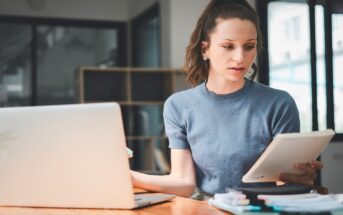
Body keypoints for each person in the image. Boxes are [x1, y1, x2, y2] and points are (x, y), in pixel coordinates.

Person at [131, 0, 323, 199]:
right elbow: (184, 183)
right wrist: (128, 177)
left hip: (262, 209)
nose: (240, 57)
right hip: (207, 209)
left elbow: (283, 181)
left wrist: (299, 178)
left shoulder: (279, 103)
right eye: (228, 46)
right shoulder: (178, 106)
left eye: (249, 46)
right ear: (205, 49)